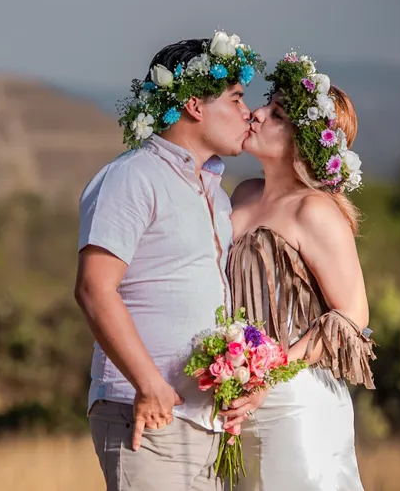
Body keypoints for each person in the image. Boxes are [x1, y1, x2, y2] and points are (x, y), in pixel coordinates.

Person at [74, 31, 265, 491]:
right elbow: (94, 289)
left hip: (209, 422)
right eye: (236, 98)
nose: (247, 113)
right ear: (195, 106)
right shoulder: (132, 176)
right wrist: (149, 384)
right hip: (149, 412)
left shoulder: (217, 195)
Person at [219, 52, 375, 490]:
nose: (257, 112)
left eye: (277, 113)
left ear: (304, 142)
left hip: (295, 401)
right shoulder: (243, 194)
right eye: (266, 103)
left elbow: (352, 317)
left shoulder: (315, 210)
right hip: (234, 395)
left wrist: (270, 371)